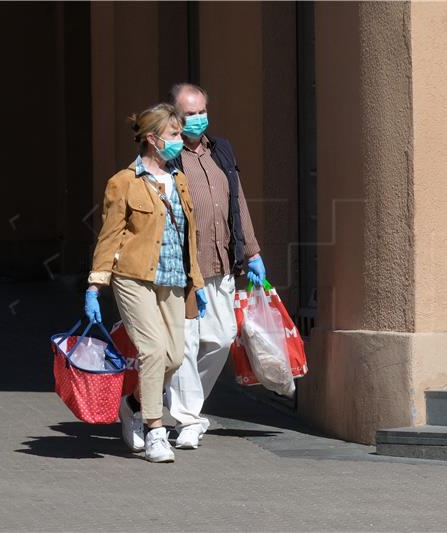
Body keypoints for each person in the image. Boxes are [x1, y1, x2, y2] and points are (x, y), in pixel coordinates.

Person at [84, 103, 206, 463]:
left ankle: (133, 403)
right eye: (173, 135)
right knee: (152, 351)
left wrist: (195, 283)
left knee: (172, 356)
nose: (179, 141)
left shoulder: (179, 180)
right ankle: (155, 430)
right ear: (153, 139)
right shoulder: (124, 182)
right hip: (133, 277)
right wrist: (95, 285)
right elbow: (109, 237)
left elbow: (189, 237)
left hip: (173, 279)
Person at [165, 83, 265, 449]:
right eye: (189, 113)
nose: (197, 119)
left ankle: (177, 405)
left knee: (221, 338)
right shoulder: (170, 155)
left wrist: (252, 252)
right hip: (186, 267)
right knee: (187, 345)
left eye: (201, 111)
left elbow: (237, 199)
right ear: (175, 116)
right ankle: (188, 418)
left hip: (223, 262)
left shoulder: (220, 150)